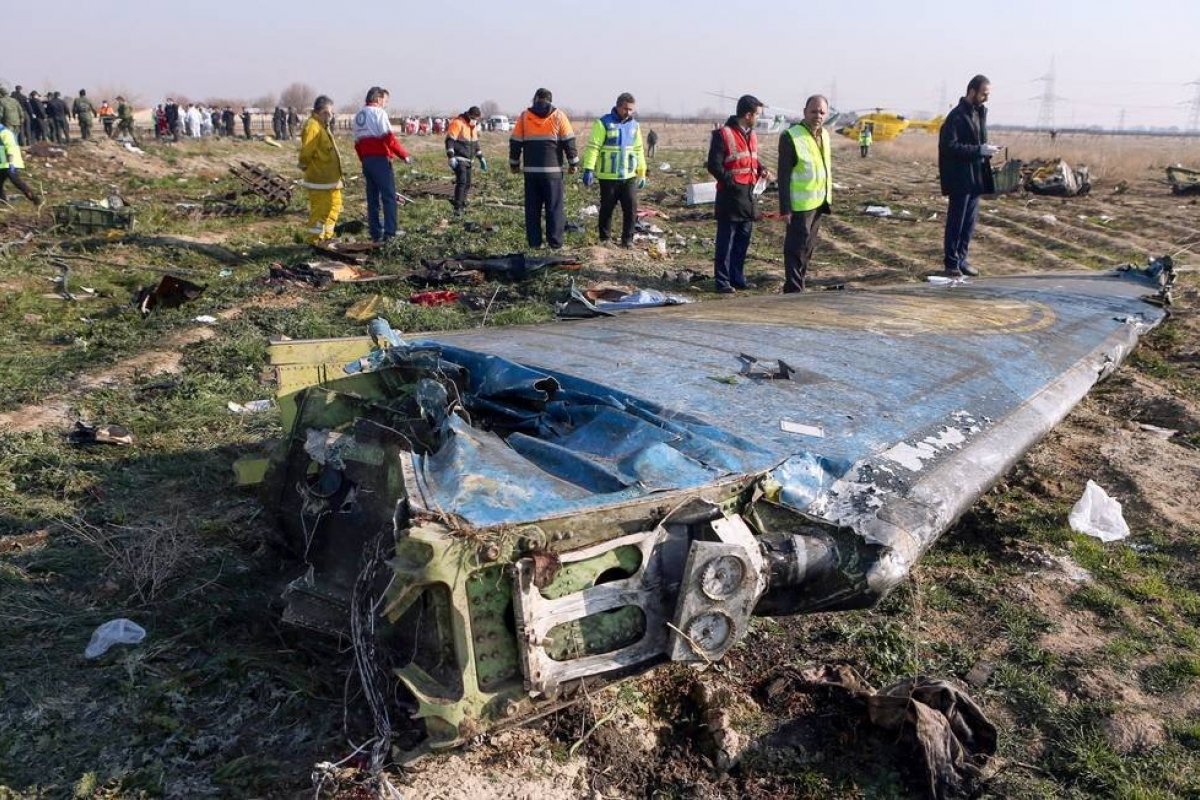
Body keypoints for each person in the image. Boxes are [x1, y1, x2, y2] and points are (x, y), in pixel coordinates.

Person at [938, 74, 999, 278]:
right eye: (984, 94)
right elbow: (949, 146)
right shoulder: (956, 116)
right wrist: (978, 150)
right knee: (956, 221)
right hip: (960, 177)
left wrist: (986, 150)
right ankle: (951, 263)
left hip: (975, 177)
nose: (986, 98)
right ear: (972, 91)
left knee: (969, 223)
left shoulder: (979, 113)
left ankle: (962, 259)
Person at [706, 94, 768, 293]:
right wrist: (731, 183)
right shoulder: (723, 134)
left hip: (749, 195)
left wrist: (762, 169)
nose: (759, 118)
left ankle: (737, 277)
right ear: (748, 115)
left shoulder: (752, 134)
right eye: (757, 114)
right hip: (730, 196)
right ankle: (722, 281)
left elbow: (750, 159)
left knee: (743, 240)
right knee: (726, 241)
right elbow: (714, 165)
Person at [509, 88, 579, 249]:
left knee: (532, 209)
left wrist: (514, 164)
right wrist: (573, 163)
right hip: (553, 173)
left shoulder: (525, 116)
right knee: (554, 208)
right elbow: (569, 141)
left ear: (535, 99)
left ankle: (535, 244)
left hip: (531, 173)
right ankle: (555, 243)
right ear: (550, 100)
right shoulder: (559, 116)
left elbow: (515, 142)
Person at [778, 95, 833, 293]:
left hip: (818, 201)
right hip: (799, 205)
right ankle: (793, 289)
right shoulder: (791, 136)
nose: (818, 115)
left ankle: (799, 283)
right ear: (804, 112)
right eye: (814, 111)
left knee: (808, 249)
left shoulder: (824, 135)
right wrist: (785, 208)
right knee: (795, 249)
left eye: (822, 112)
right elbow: (783, 176)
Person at [581, 92, 647, 247]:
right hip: (608, 176)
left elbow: (639, 150)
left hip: (628, 175)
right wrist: (589, 168)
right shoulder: (603, 123)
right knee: (607, 209)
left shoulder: (634, 126)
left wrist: (642, 172)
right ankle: (605, 239)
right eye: (626, 109)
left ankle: (627, 240)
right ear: (618, 106)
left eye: (631, 110)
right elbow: (593, 148)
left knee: (631, 209)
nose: (629, 112)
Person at [352, 86, 411, 242]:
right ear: (378, 99)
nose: (386, 104)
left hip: (366, 160)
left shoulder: (358, 116)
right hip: (380, 160)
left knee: (372, 198)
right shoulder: (379, 113)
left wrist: (364, 160)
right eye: (385, 100)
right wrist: (403, 154)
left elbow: (357, 143)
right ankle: (390, 233)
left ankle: (375, 232)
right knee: (389, 197)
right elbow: (388, 138)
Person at [299, 95, 344, 243]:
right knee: (320, 211)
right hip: (320, 180)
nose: (331, 115)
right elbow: (307, 150)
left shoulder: (322, 126)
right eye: (329, 112)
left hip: (331, 179)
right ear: (323, 111)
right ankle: (315, 241)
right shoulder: (312, 126)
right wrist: (304, 166)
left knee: (335, 206)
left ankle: (327, 237)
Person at [444, 106, 487, 214]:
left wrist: (481, 158)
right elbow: (449, 140)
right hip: (459, 158)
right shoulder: (458, 123)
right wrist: (451, 156)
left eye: (477, 119)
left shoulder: (473, 127)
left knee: (468, 183)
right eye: (474, 118)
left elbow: (475, 144)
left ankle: (462, 203)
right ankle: (457, 207)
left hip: (468, 160)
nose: (476, 121)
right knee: (462, 182)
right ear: (469, 115)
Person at [0, 122, 42, 207]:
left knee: (16, 181)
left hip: (10, 162)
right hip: (3, 163)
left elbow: (10, 146)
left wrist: (11, 163)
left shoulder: (5, 133)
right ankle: (3, 203)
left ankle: (34, 199)